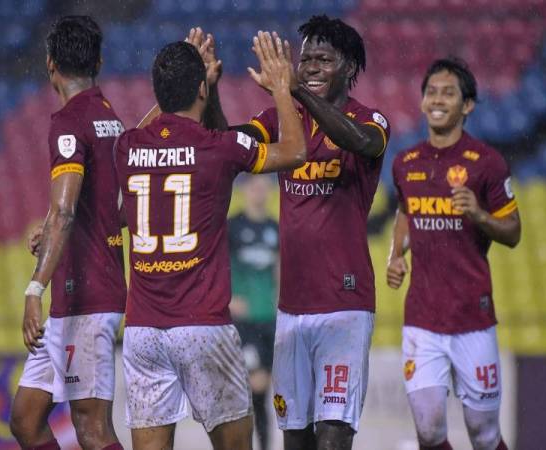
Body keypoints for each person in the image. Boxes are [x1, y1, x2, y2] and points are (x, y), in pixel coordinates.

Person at [113, 30, 306, 450]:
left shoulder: (127, 148)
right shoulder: (219, 147)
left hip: (143, 329)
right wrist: (280, 89)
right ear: (203, 88)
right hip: (202, 326)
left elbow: (152, 127)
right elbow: (294, 150)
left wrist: (176, 86)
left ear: (158, 91)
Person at [239, 15, 391, 450]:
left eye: (323, 60)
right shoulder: (283, 119)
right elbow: (232, 145)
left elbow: (360, 143)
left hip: (344, 305)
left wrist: (293, 88)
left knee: (333, 437)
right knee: (295, 438)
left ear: (348, 67)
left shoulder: (370, 118)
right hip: (292, 308)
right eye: (304, 61)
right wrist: (209, 94)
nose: (310, 68)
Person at [387, 57, 520, 450]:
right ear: (423, 101)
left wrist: (478, 213)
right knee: (428, 431)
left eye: (448, 93)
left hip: (472, 320)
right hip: (422, 320)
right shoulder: (405, 163)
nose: (437, 99)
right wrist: (396, 255)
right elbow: (405, 213)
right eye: (431, 92)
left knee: (484, 434)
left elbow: (513, 233)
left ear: (468, 105)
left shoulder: (488, 163)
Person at [10, 16, 126, 450]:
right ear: (97, 60)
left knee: (92, 428)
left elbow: (66, 211)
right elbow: (103, 203)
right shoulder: (109, 117)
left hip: (88, 296)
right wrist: (54, 221)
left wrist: (32, 288)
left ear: (50, 64)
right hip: (78, 294)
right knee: (25, 420)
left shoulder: (69, 120)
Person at [228, 174, 279, 450]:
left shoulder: (274, 228)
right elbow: (216, 265)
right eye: (254, 185)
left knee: (261, 394)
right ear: (245, 189)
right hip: (243, 322)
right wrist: (227, 298)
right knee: (254, 389)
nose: (259, 191)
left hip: (268, 321)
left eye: (264, 186)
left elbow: (279, 270)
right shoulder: (233, 227)